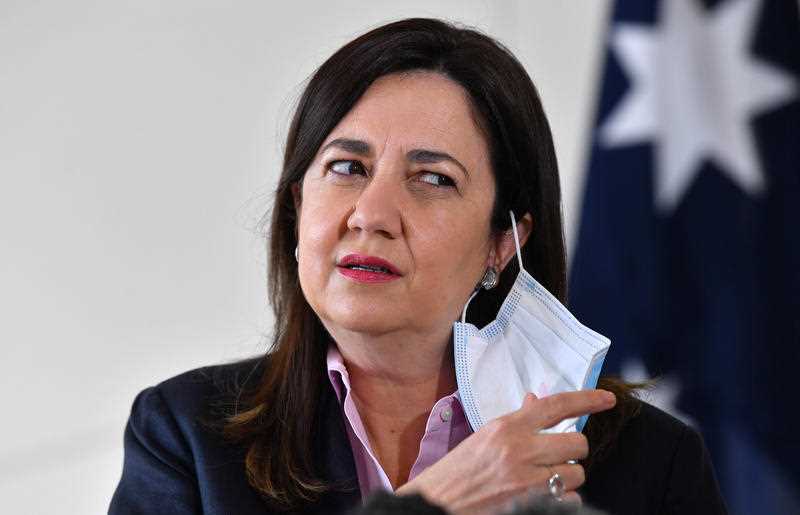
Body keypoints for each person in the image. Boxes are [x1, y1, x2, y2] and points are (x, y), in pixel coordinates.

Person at [109, 18, 727, 515]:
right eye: (347, 168)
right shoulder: (185, 435)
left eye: (433, 179)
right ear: (299, 204)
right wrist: (430, 507)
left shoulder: (653, 463)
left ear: (503, 242)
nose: (371, 214)